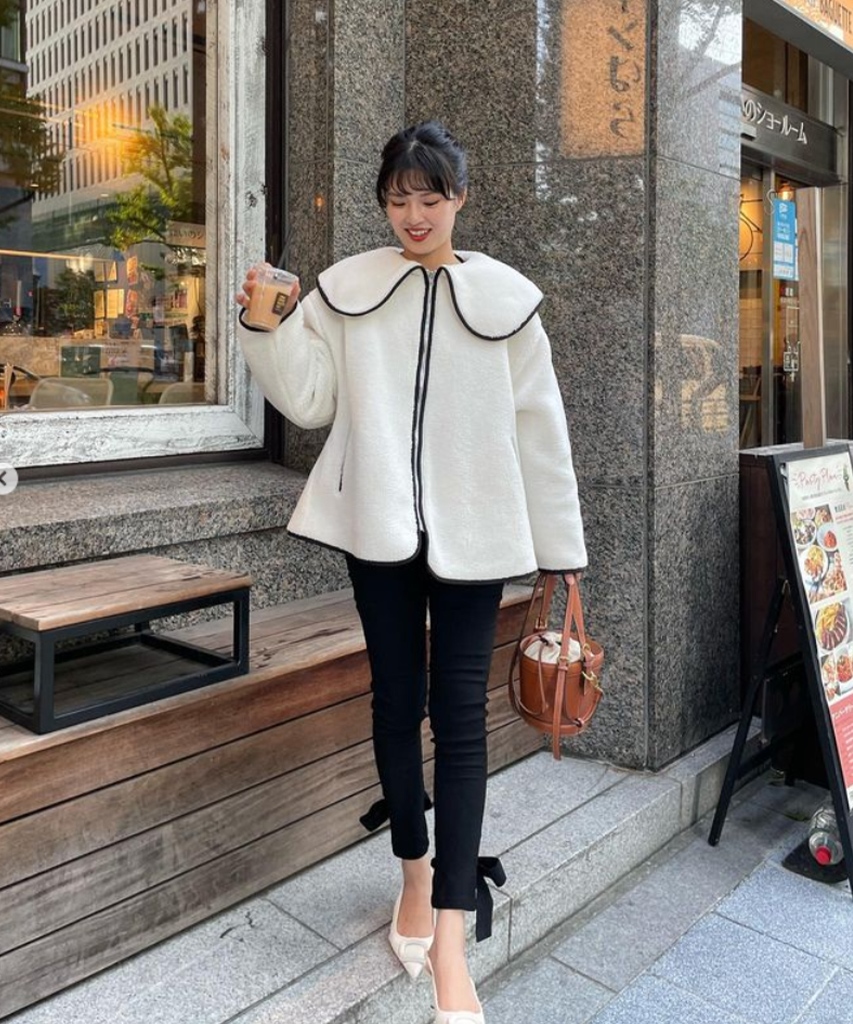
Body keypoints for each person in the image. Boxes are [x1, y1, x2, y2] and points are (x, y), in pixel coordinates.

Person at [235, 120, 586, 1024]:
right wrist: (265, 325)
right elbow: (308, 400)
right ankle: (414, 874)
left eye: (430, 197)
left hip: (477, 535)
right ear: (383, 204)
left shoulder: (507, 301)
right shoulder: (348, 288)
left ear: (460, 197)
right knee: (396, 705)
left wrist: (562, 555)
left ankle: (452, 945)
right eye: (398, 199)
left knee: (461, 722)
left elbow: (541, 430)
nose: (414, 214)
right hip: (378, 529)